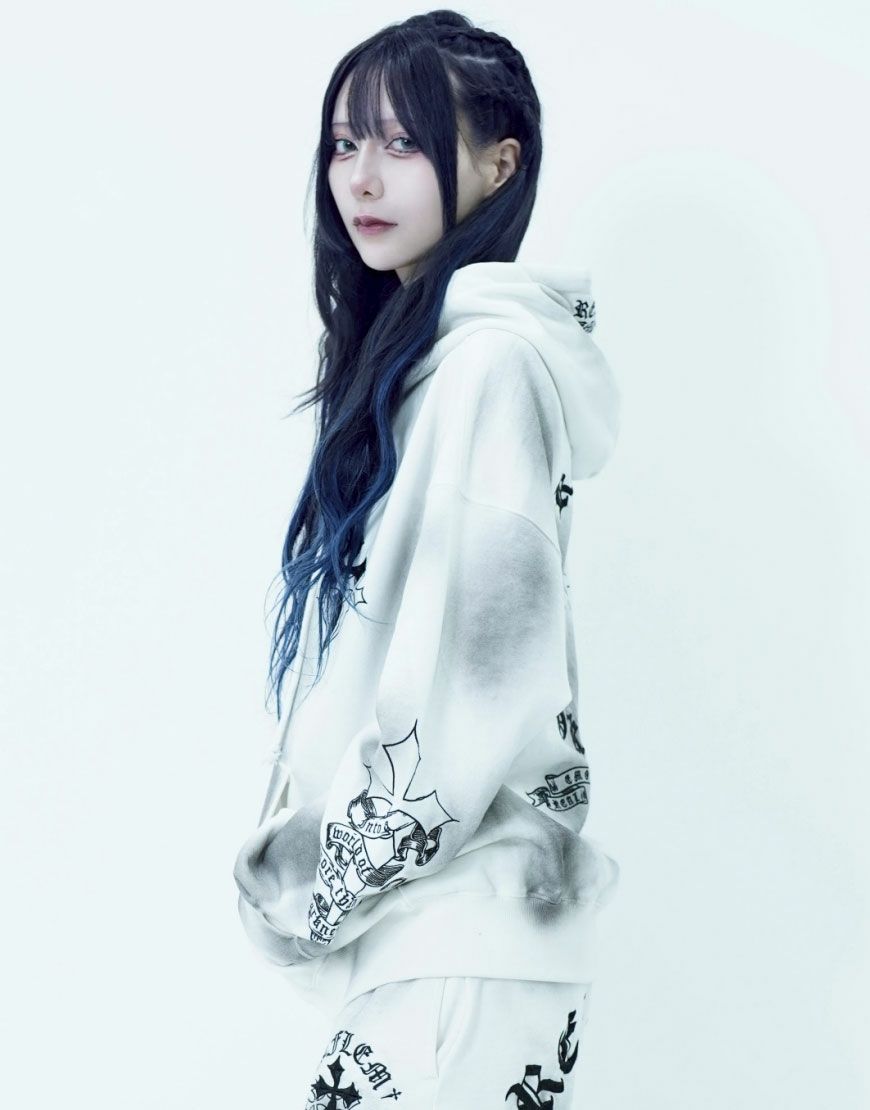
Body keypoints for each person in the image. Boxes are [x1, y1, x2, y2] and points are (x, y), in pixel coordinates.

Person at [233, 9, 622, 1108]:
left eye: (403, 142)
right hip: (442, 937)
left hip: (461, 939)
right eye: (345, 142)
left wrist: (312, 887)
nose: (361, 176)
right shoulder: (424, 368)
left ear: (499, 166)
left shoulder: (488, 367)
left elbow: (469, 683)